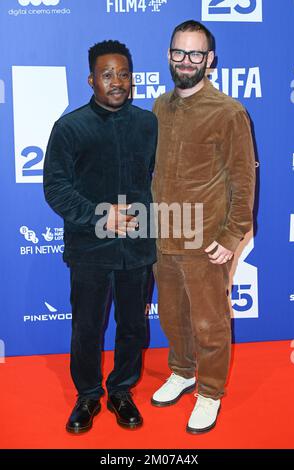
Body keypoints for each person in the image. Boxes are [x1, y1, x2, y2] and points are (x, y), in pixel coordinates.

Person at [43, 40, 157, 433]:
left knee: (132, 326)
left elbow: (164, 180)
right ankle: (88, 395)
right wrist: (99, 216)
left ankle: (122, 392)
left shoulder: (148, 124)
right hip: (89, 249)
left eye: (124, 74)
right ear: (91, 79)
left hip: (138, 250)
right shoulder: (70, 127)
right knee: (87, 327)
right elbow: (55, 187)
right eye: (107, 74)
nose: (117, 82)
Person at [151, 20, 256, 434]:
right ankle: (182, 371)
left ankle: (210, 391)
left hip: (207, 240)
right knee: (172, 318)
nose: (187, 61)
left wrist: (231, 236)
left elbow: (243, 178)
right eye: (180, 52)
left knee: (209, 323)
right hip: (163, 236)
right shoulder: (159, 106)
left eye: (196, 54)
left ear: (210, 60)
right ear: (169, 54)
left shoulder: (229, 111)